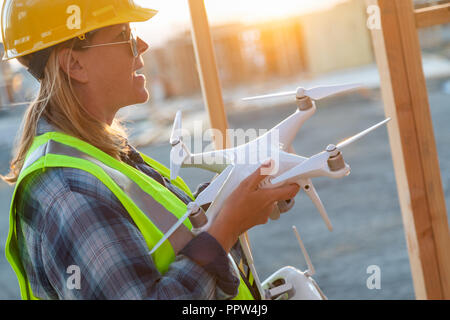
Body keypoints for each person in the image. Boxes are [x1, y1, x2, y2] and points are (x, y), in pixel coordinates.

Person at [0, 0, 300, 300]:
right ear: (75, 65)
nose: (142, 45)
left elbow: (166, 240)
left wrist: (230, 198)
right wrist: (225, 229)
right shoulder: (69, 191)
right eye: (124, 34)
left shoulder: (98, 153)